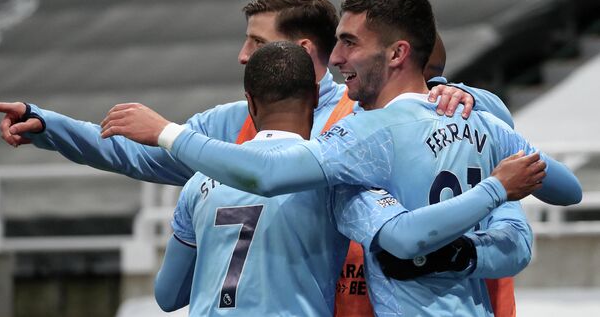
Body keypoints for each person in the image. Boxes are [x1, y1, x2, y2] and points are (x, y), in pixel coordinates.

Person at [0, 0, 519, 317]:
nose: (241, 57)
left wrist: (464, 92)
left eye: (255, 44)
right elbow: (133, 153)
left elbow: (169, 295)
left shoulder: (374, 111)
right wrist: (47, 125)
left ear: (299, 49)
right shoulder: (231, 122)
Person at [102, 0, 582, 316]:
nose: (335, 59)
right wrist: (491, 200)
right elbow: (565, 191)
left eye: (349, 43)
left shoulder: (361, 138)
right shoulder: (477, 120)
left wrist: (168, 133)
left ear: (397, 54)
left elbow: (266, 176)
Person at [154, 41, 545, 316]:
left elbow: (168, 295)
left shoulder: (199, 183)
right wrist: (495, 187)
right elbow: (404, 238)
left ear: (250, 102)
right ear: (316, 100)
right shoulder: (337, 180)